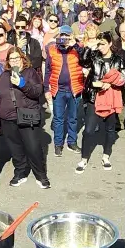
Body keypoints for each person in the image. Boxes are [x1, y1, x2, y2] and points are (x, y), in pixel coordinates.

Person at [0, 48, 50, 189]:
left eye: (16, 58)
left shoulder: (30, 72)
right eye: (11, 59)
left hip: (27, 114)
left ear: (22, 58)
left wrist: (22, 84)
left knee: (33, 147)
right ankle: (20, 172)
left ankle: (41, 175)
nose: (14, 61)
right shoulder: (4, 75)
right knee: (15, 148)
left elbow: (37, 91)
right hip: (8, 117)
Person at [75, 33, 125, 174]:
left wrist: (111, 84)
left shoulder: (118, 59)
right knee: (89, 130)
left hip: (111, 97)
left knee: (110, 129)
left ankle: (106, 156)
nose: (101, 47)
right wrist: (88, 48)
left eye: (103, 43)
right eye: (99, 44)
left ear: (110, 44)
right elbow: (82, 62)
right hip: (94, 96)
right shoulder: (94, 56)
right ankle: (84, 158)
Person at [44, 26, 84, 157]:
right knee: (58, 119)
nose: (64, 39)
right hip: (58, 90)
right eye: (62, 35)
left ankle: (72, 142)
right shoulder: (52, 49)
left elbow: (86, 59)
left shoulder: (78, 49)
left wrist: (76, 45)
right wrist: (46, 89)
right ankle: (58, 144)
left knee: (73, 118)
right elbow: (48, 70)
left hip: (74, 89)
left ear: (71, 36)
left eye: (67, 36)